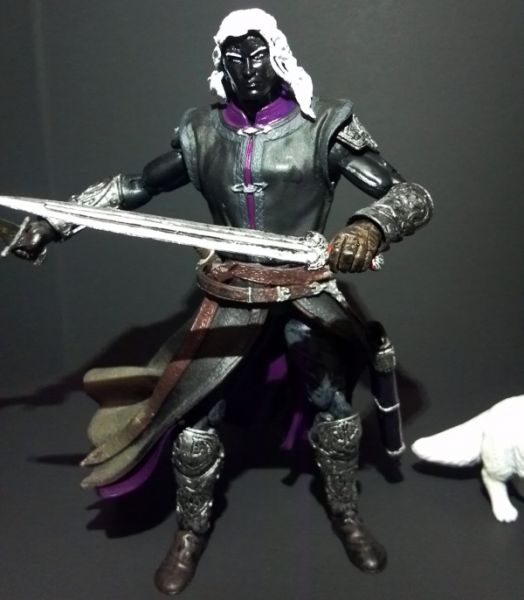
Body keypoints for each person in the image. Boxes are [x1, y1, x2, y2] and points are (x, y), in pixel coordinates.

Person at [11, 9, 432, 596]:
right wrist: (55, 221)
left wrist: (369, 228)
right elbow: (137, 186)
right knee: (194, 424)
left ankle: (345, 512)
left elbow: (410, 193)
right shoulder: (202, 133)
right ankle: (191, 530)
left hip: (305, 296)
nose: (247, 68)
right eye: (234, 58)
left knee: (334, 411)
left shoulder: (324, 127)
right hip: (230, 298)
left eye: (257, 55)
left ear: (278, 56)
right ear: (220, 66)